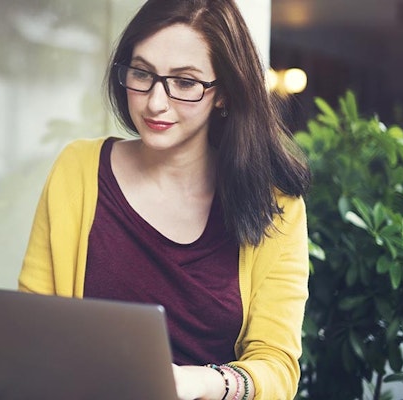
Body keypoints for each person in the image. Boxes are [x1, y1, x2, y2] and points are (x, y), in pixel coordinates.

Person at [18, 0, 311, 399]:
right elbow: (30, 325)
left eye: (185, 83)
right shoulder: (78, 169)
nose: (156, 102)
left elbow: (276, 368)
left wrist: (202, 382)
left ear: (223, 93)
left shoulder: (275, 207)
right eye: (142, 74)